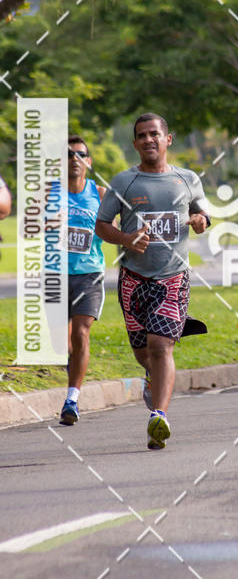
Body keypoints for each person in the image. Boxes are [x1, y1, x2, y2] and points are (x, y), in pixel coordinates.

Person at [95, 114, 209, 450]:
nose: (149, 140)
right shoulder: (124, 182)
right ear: (135, 143)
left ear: (167, 139)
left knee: (161, 347)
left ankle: (158, 417)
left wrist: (201, 220)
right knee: (144, 353)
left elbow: (203, 214)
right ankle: (151, 376)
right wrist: (125, 239)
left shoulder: (187, 179)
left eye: (154, 134)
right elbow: (102, 225)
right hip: (133, 279)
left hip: (173, 277)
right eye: (142, 135)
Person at [59, 137, 106, 425]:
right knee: (62, 341)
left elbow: (115, 227)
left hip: (89, 273)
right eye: (68, 154)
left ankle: (72, 399)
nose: (74, 158)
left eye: (80, 154)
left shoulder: (99, 193)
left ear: (88, 161)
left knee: (81, 333)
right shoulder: (49, 194)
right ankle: (72, 360)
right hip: (55, 274)